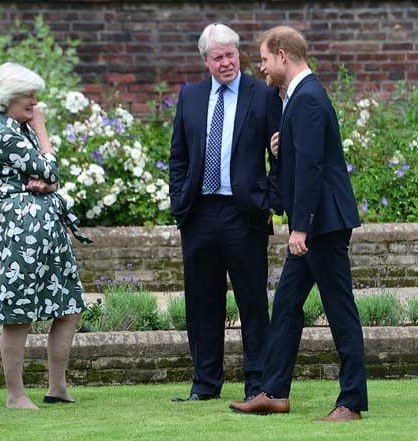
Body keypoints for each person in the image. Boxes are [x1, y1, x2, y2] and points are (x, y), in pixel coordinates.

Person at [229, 26, 368, 422]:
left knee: (340, 311)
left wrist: (301, 227)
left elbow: (312, 169)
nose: (261, 67)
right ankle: (273, 392)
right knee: (286, 304)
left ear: (282, 55)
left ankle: (351, 403)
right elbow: (300, 158)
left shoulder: (306, 98)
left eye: (264, 59)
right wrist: (281, 149)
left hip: (321, 226)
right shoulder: (297, 98)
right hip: (314, 223)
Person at [169, 23, 281, 402]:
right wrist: (179, 204)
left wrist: (269, 200)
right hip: (199, 215)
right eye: (218, 57)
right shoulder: (191, 97)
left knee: (252, 303)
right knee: (202, 304)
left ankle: (257, 386)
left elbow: (280, 155)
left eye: (231, 54)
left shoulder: (262, 95)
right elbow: (178, 157)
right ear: (206, 61)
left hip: (244, 214)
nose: (227, 62)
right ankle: (205, 385)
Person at [0, 62, 90, 410]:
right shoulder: (3, 131)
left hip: (47, 226)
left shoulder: (19, 127)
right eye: (28, 95)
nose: (35, 102)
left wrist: (48, 182)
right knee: (19, 312)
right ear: (9, 97)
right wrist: (43, 133)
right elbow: (49, 167)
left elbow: (51, 177)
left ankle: (56, 387)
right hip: (23, 231)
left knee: (68, 304)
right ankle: (16, 395)